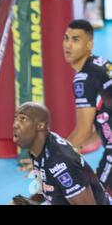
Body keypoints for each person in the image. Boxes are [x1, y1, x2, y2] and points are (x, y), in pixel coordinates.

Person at [11, 102, 110, 205]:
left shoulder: (61, 163)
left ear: (40, 126)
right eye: (15, 118)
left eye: (23, 119)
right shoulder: (39, 147)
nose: (15, 125)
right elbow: (50, 187)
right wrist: (29, 202)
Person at [63, 19, 112, 196]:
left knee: (95, 197)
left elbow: (83, 131)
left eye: (76, 40)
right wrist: (74, 147)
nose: (68, 45)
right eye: (66, 38)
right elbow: (96, 132)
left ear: (89, 44)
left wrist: (53, 156)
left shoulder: (83, 79)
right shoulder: (102, 63)